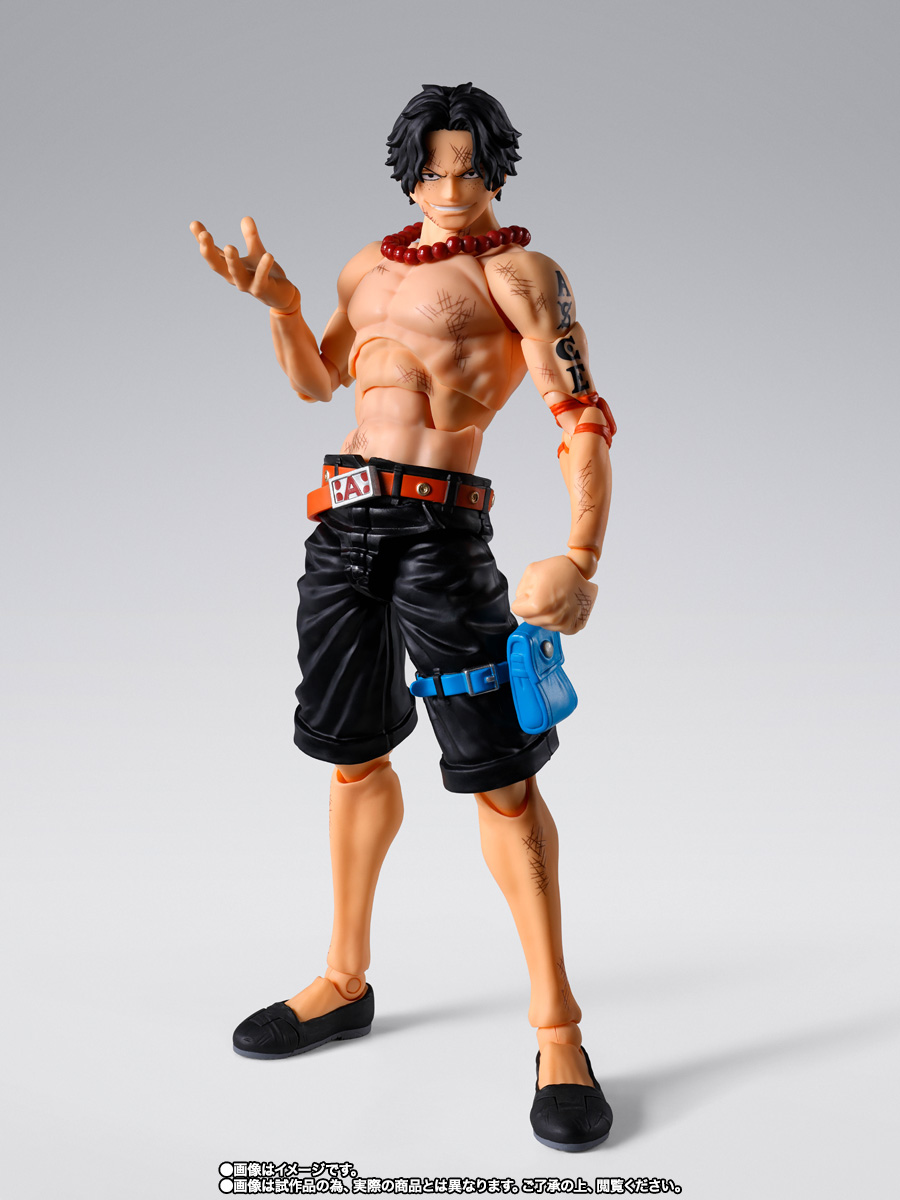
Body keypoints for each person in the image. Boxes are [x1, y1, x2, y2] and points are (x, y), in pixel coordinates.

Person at [190, 82, 615, 1151]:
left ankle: (558, 1032)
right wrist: (284, 308)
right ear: (407, 172)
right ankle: (344, 980)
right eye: (433, 168)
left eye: (470, 167)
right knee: (350, 758)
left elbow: (581, 413)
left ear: (497, 169)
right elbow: (317, 383)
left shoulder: (520, 274)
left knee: (502, 779)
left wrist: (582, 554)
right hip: (340, 529)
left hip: (442, 534)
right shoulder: (364, 268)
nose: (452, 186)